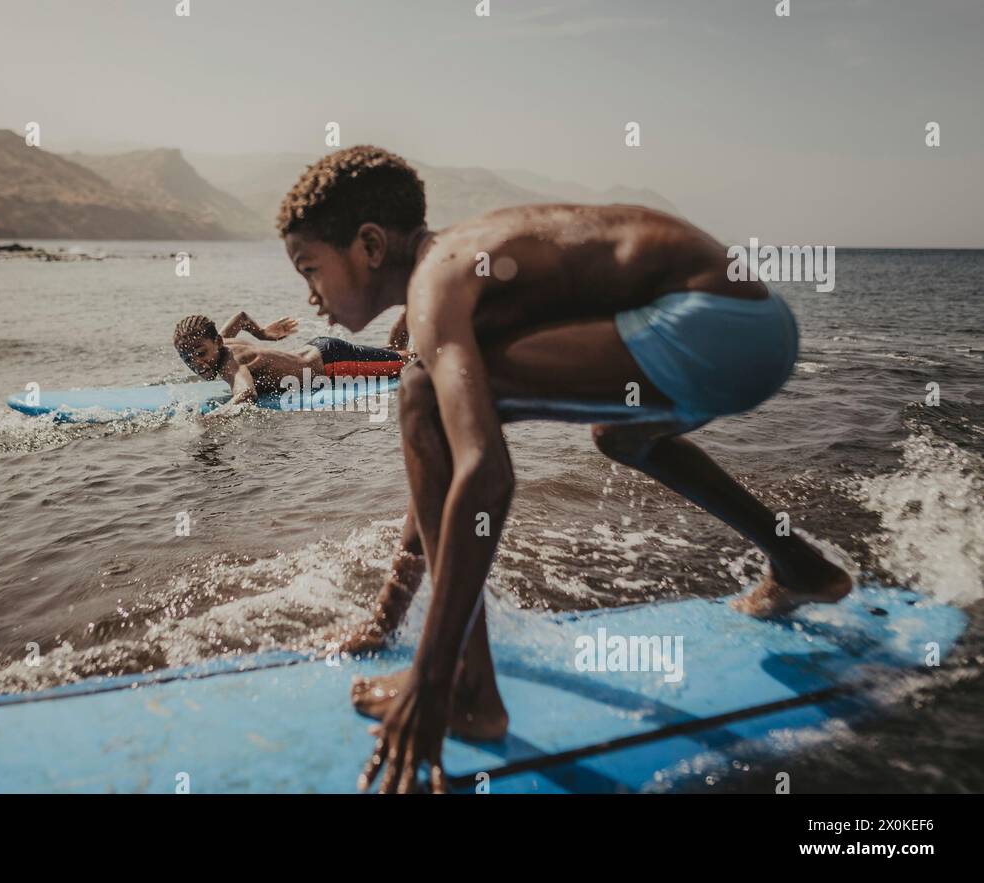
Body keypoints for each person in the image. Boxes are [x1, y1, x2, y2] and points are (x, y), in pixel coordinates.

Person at [276, 145, 853, 793]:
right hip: (754, 331)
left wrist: (427, 684)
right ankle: (802, 565)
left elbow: (485, 475)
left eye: (310, 269)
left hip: (715, 323)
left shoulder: (439, 278)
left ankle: (469, 691)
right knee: (620, 435)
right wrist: (386, 620)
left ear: (371, 246)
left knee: (420, 393)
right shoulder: (454, 267)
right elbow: (436, 468)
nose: (310, 297)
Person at [172, 310, 412, 407]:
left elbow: (246, 394)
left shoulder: (229, 362)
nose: (196, 362)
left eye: (201, 353)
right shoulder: (221, 342)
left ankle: (431, 328)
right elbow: (241, 317)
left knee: (408, 361)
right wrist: (263, 334)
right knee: (392, 352)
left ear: (217, 343)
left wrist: (212, 420)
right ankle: (410, 311)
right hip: (321, 351)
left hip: (332, 364)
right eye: (187, 358)